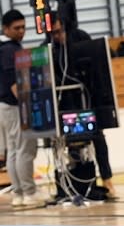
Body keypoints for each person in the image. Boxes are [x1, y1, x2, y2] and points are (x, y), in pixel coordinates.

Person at [49, 15, 117, 198]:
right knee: (68, 143)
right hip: (65, 102)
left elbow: (97, 61)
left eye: (59, 32)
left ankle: (107, 179)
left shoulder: (80, 37)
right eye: (53, 33)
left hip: (87, 97)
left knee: (98, 138)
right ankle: (75, 183)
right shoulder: (49, 47)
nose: (56, 36)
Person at [0, 9, 47, 207]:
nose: (21, 31)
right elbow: (13, 81)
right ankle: (29, 192)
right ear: (6, 29)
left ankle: (18, 194)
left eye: (23, 27)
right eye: (16, 28)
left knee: (13, 150)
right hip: (14, 105)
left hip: (4, 106)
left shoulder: (4, 48)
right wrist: (27, 105)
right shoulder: (10, 50)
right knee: (25, 149)